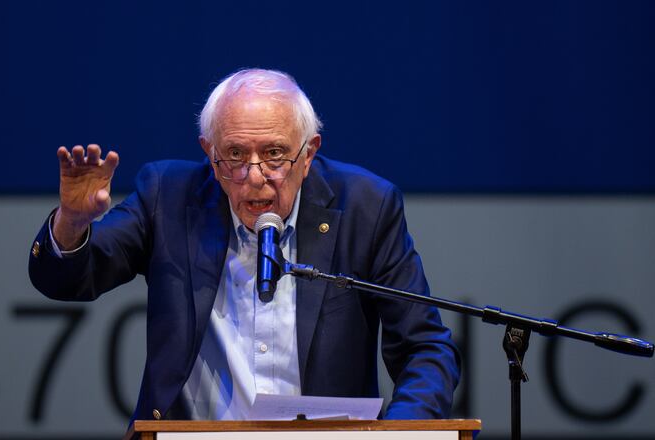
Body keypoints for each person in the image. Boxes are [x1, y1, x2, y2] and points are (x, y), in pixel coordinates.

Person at [28, 69, 460, 431]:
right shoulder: (169, 197)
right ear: (209, 153)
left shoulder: (365, 206)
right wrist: (73, 222)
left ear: (308, 154)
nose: (254, 176)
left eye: (275, 154)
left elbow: (426, 349)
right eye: (234, 154)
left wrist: (400, 434)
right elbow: (68, 277)